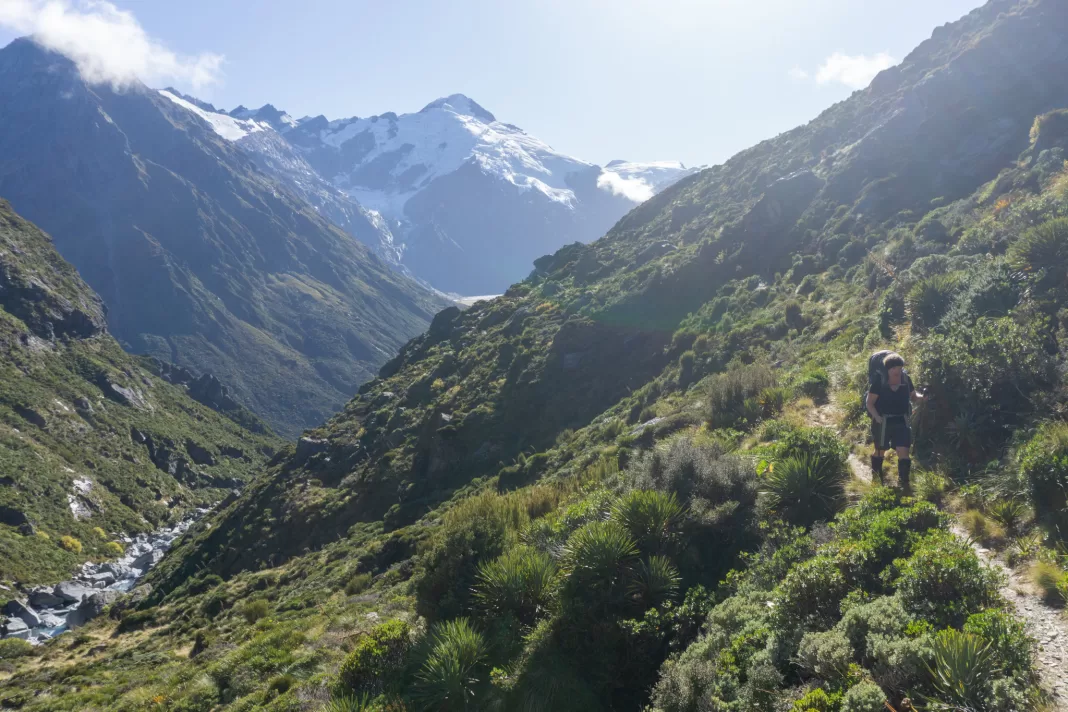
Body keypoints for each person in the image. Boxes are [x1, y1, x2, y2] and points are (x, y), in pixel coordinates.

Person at [866, 352, 924, 490]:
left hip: (901, 420)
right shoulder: (879, 381)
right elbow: (869, 403)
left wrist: (924, 397)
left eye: (899, 368)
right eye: (894, 368)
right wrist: (877, 417)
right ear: (888, 369)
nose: (897, 371)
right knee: (880, 450)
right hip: (882, 421)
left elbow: (914, 396)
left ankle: (904, 483)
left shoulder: (905, 379)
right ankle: (876, 479)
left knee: (903, 451)